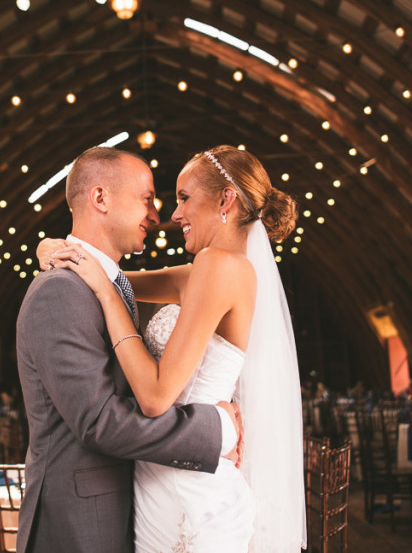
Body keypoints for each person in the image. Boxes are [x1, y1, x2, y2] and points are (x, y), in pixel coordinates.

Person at [40, 145, 307, 552]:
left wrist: (109, 301)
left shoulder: (220, 268)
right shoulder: (206, 270)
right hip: (162, 479)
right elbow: (110, 273)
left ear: (225, 199)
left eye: (184, 197)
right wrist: (52, 247)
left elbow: (156, 396)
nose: (174, 214)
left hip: (191, 493)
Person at [15, 146, 244, 553]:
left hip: (141, 503)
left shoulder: (108, 282)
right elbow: (99, 421)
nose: (159, 215)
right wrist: (216, 430)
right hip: (80, 524)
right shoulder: (60, 292)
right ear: (100, 198)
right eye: (147, 199)